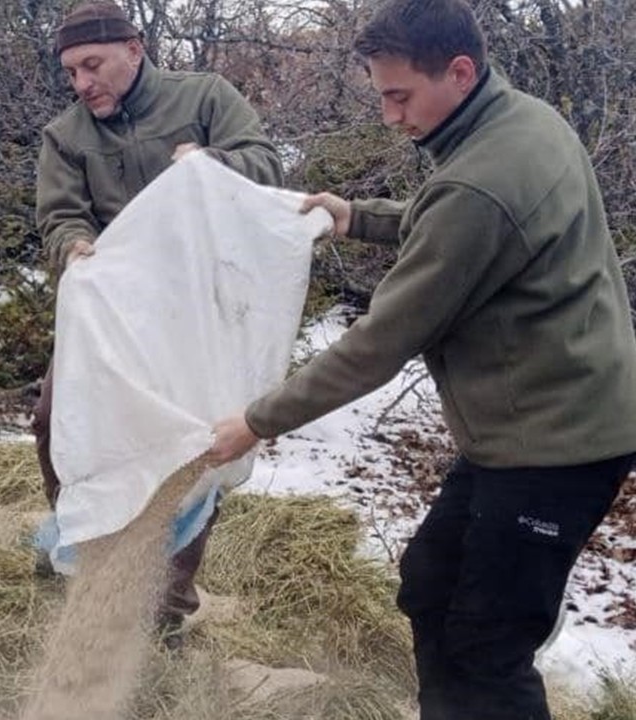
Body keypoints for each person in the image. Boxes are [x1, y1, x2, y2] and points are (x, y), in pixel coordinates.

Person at [207, 0, 636, 715]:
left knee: (488, 646)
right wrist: (358, 215)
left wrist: (255, 421)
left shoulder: (480, 180)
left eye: (398, 95)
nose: (388, 115)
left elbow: (380, 343)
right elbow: (458, 220)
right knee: (430, 581)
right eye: (380, 95)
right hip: (534, 419)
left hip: (557, 442)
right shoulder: (523, 122)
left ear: (459, 72)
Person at [32, 0, 284, 646]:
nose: (82, 83)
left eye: (92, 65)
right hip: (113, 319)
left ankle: (165, 607)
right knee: (52, 414)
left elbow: (266, 163)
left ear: (134, 49)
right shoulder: (67, 136)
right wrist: (73, 248)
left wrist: (210, 165)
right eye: (71, 72)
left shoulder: (204, 98)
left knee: (194, 448)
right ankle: (86, 550)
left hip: (198, 315)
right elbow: (58, 214)